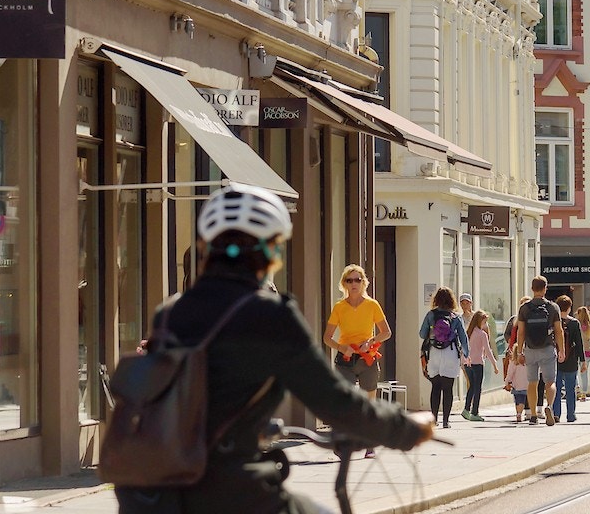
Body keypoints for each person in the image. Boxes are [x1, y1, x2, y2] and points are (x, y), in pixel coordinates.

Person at [114, 182, 433, 514]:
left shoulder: (171, 313)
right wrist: (406, 427)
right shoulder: (271, 315)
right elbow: (333, 400)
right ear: (271, 251)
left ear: (205, 247)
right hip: (230, 491)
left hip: (150, 493)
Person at [323, 264, 392, 398]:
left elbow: (386, 332)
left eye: (357, 280)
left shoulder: (372, 305)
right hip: (345, 359)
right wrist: (341, 348)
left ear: (363, 283)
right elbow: (327, 337)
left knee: (369, 402)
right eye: (349, 280)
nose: (353, 284)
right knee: (345, 400)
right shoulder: (339, 307)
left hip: (366, 358)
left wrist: (370, 342)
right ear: (344, 284)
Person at [515, 276, 564, 426]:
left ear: (532, 289)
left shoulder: (524, 308)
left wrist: (519, 352)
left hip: (530, 349)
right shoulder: (552, 307)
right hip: (548, 347)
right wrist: (561, 350)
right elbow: (559, 330)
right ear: (545, 289)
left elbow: (521, 332)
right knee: (550, 381)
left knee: (532, 382)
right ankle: (549, 406)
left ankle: (533, 415)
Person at [419, 286, 470, 428]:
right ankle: (446, 421)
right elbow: (463, 338)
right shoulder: (456, 317)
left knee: (435, 387)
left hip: (434, 353)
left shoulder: (431, 315)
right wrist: (467, 354)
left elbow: (422, 334)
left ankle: (434, 419)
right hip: (451, 353)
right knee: (448, 389)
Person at [552, 296, 585, 423]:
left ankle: (556, 413)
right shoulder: (574, 323)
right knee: (571, 389)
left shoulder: (554, 322)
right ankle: (571, 415)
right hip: (571, 360)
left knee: (556, 388)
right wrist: (582, 361)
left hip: (556, 360)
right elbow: (579, 343)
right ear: (569, 308)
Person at [462, 309, 498, 421]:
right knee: (477, 388)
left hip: (467, 363)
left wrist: (462, 362)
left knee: (471, 386)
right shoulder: (482, 334)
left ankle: (466, 409)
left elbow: (463, 348)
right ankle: (474, 412)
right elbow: (488, 350)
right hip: (477, 363)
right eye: (484, 322)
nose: (485, 324)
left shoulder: (468, 333)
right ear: (480, 321)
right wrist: (494, 365)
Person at [504, 345, 530, 423]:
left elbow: (509, 374)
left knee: (518, 400)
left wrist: (507, 382)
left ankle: (518, 413)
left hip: (516, 385)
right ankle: (523, 413)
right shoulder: (528, 363)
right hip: (526, 385)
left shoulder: (513, 363)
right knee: (523, 400)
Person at [575, 306, 590, 401]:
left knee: (575, 372)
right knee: (584, 374)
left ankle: (577, 388)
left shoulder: (578, 326)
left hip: (579, 351)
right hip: (588, 352)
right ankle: (584, 393)